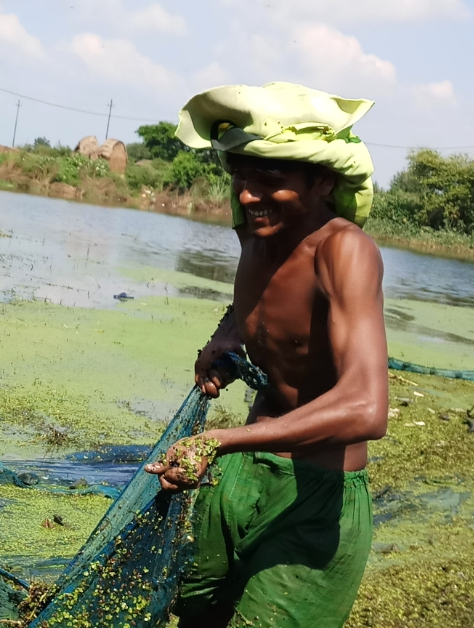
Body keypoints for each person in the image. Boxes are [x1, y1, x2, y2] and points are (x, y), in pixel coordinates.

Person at [144, 82, 389, 628]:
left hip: (314, 502)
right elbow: (264, 300)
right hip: (236, 480)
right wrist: (229, 336)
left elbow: (367, 409)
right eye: (240, 177)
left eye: (271, 181)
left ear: (323, 181)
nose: (249, 195)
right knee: (191, 616)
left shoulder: (344, 251)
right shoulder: (253, 230)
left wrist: (218, 440)